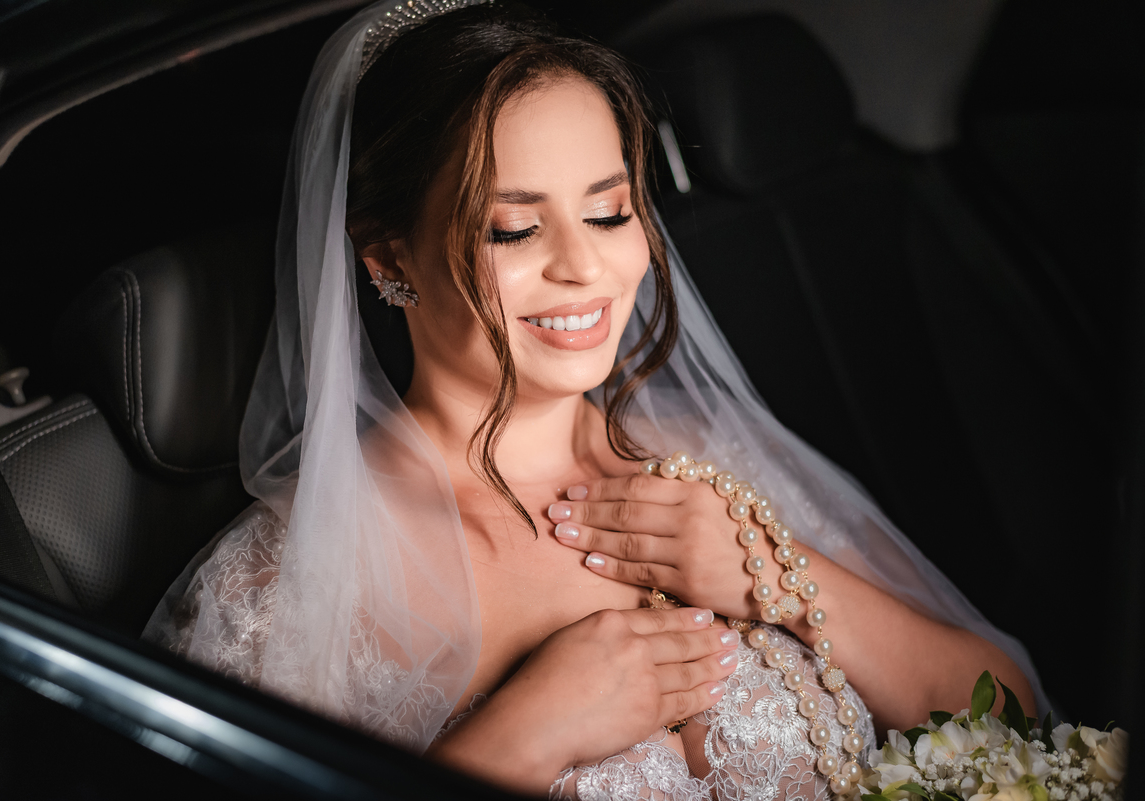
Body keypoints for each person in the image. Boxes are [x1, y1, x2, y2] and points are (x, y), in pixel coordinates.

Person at [144, 1, 1043, 798]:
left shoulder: (706, 459)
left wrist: (769, 574)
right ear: (387, 257)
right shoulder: (289, 585)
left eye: (610, 212)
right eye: (516, 228)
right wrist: (523, 734)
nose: (584, 266)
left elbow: (1010, 714)